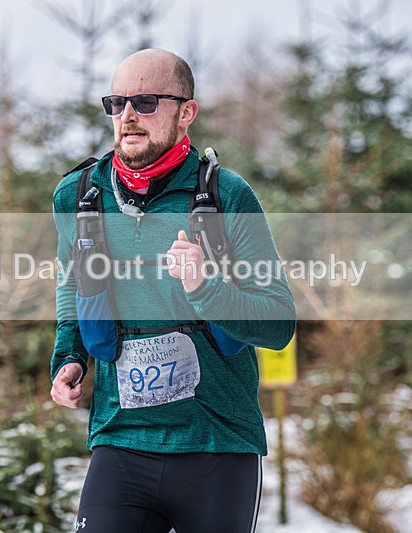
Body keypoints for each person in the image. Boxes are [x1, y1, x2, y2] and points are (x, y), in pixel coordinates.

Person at [50, 48, 296, 533]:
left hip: (217, 444)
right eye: (116, 102)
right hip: (120, 439)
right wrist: (69, 357)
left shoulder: (228, 197)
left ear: (186, 112)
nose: (127, 116)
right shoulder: (79, 196)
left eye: (145, 101)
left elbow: (278, 323)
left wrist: (207, 288)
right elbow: (73, 289)